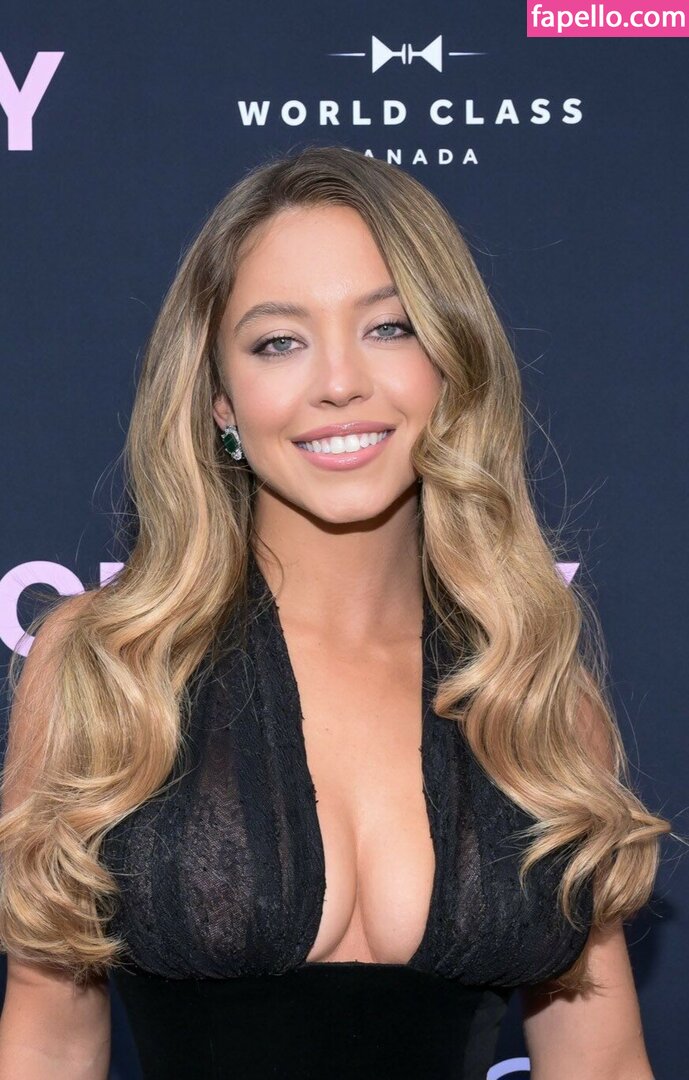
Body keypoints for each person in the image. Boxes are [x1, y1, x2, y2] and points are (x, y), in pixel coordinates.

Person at [0, 146, 670, 1080]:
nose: (339, 381)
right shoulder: (105, 666)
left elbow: (598, 1061)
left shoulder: (530, 693)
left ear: (452, 364)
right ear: (219, 399)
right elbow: (49, 1037)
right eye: (279, 341)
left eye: (390, 328)